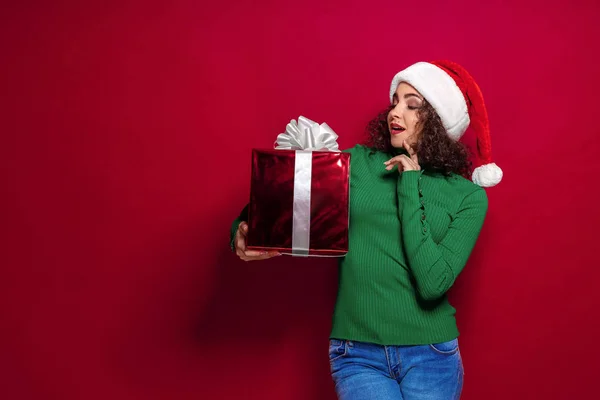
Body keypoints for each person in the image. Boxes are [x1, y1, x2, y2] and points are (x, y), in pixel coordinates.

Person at [230, 60, 502, 399]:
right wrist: (243, 231)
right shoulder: (358, 164)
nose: (394, 111)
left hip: (432, 355)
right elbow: (286, 195)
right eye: (394, 101)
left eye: (411, 104)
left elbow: (433, 283)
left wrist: (409, 183)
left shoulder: (468, 197)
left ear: (438, 121)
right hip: (357, 353)